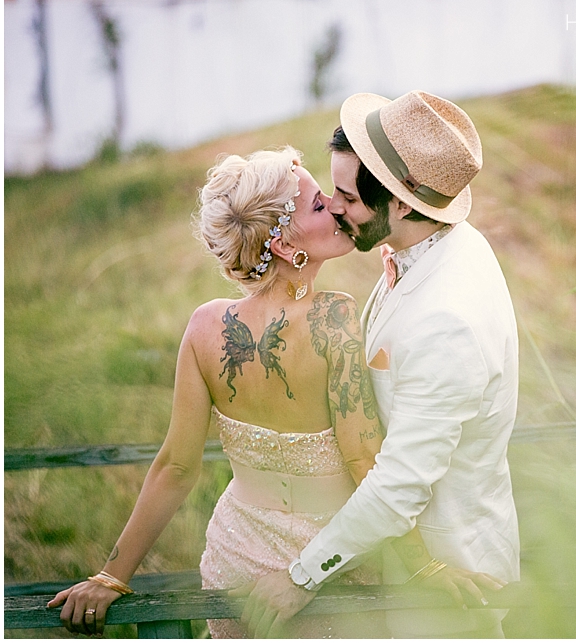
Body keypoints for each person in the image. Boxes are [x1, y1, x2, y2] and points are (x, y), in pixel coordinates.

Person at [47, 146, 494, 638]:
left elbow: (175, 466)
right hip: (326, 566)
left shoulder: (203, 327)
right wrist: (425, 565)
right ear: (283, 244)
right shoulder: (334, 320)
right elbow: (364, 458)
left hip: (234, 559)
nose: (338, 207)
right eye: (321, 206)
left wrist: (112, 575)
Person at [240, 91, 521, 639]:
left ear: (403, 202)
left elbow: (399, 487)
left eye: (346, 195)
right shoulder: (434, 246)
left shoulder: (448, 321)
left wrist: (300, 578)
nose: (334, 206)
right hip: (390, 566)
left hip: (448, 587)